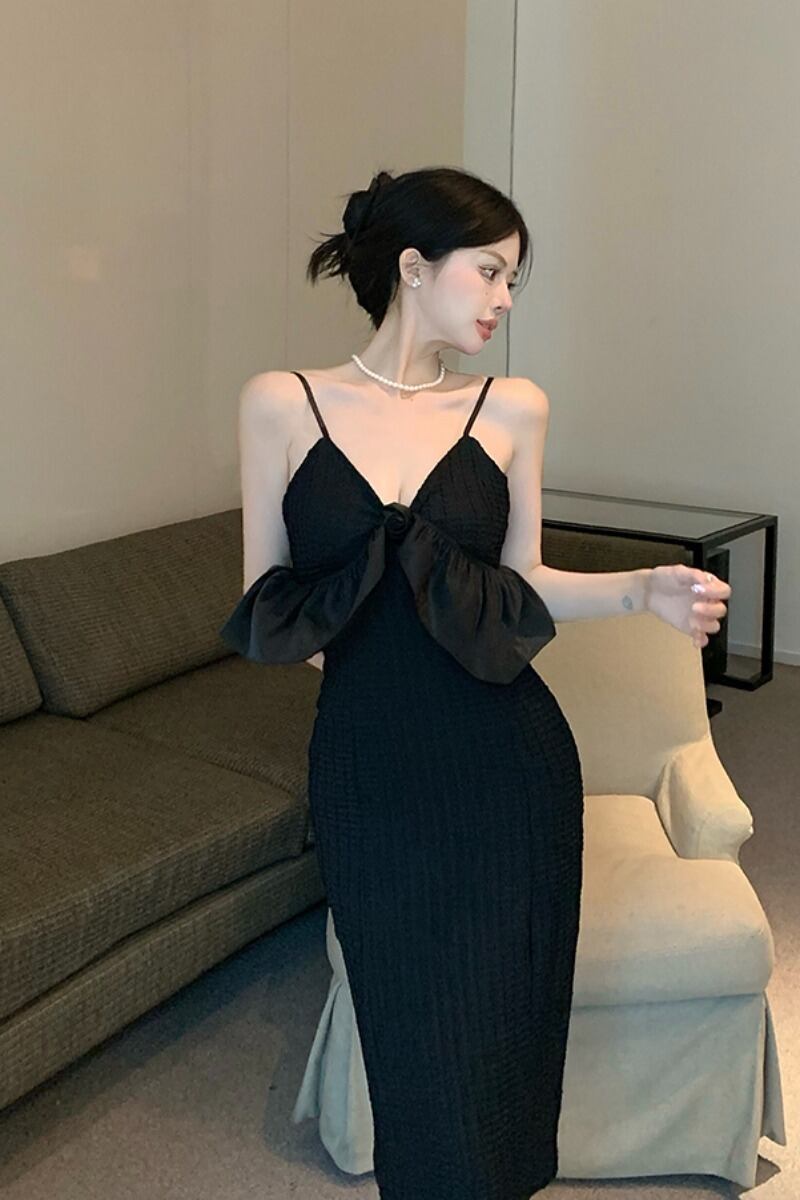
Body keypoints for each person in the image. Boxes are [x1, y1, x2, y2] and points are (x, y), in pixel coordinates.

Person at [219, 165, 730, 1200]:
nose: (503, 300)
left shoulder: (512, 408)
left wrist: (643, 590)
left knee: (504, 1018)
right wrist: (379, 654)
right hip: (367, 767)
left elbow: (524, 580)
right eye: (489, 272)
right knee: (406, 1019)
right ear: (413, 266)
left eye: (512, 281)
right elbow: (271, 602)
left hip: (507, 761)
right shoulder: (280, 403)